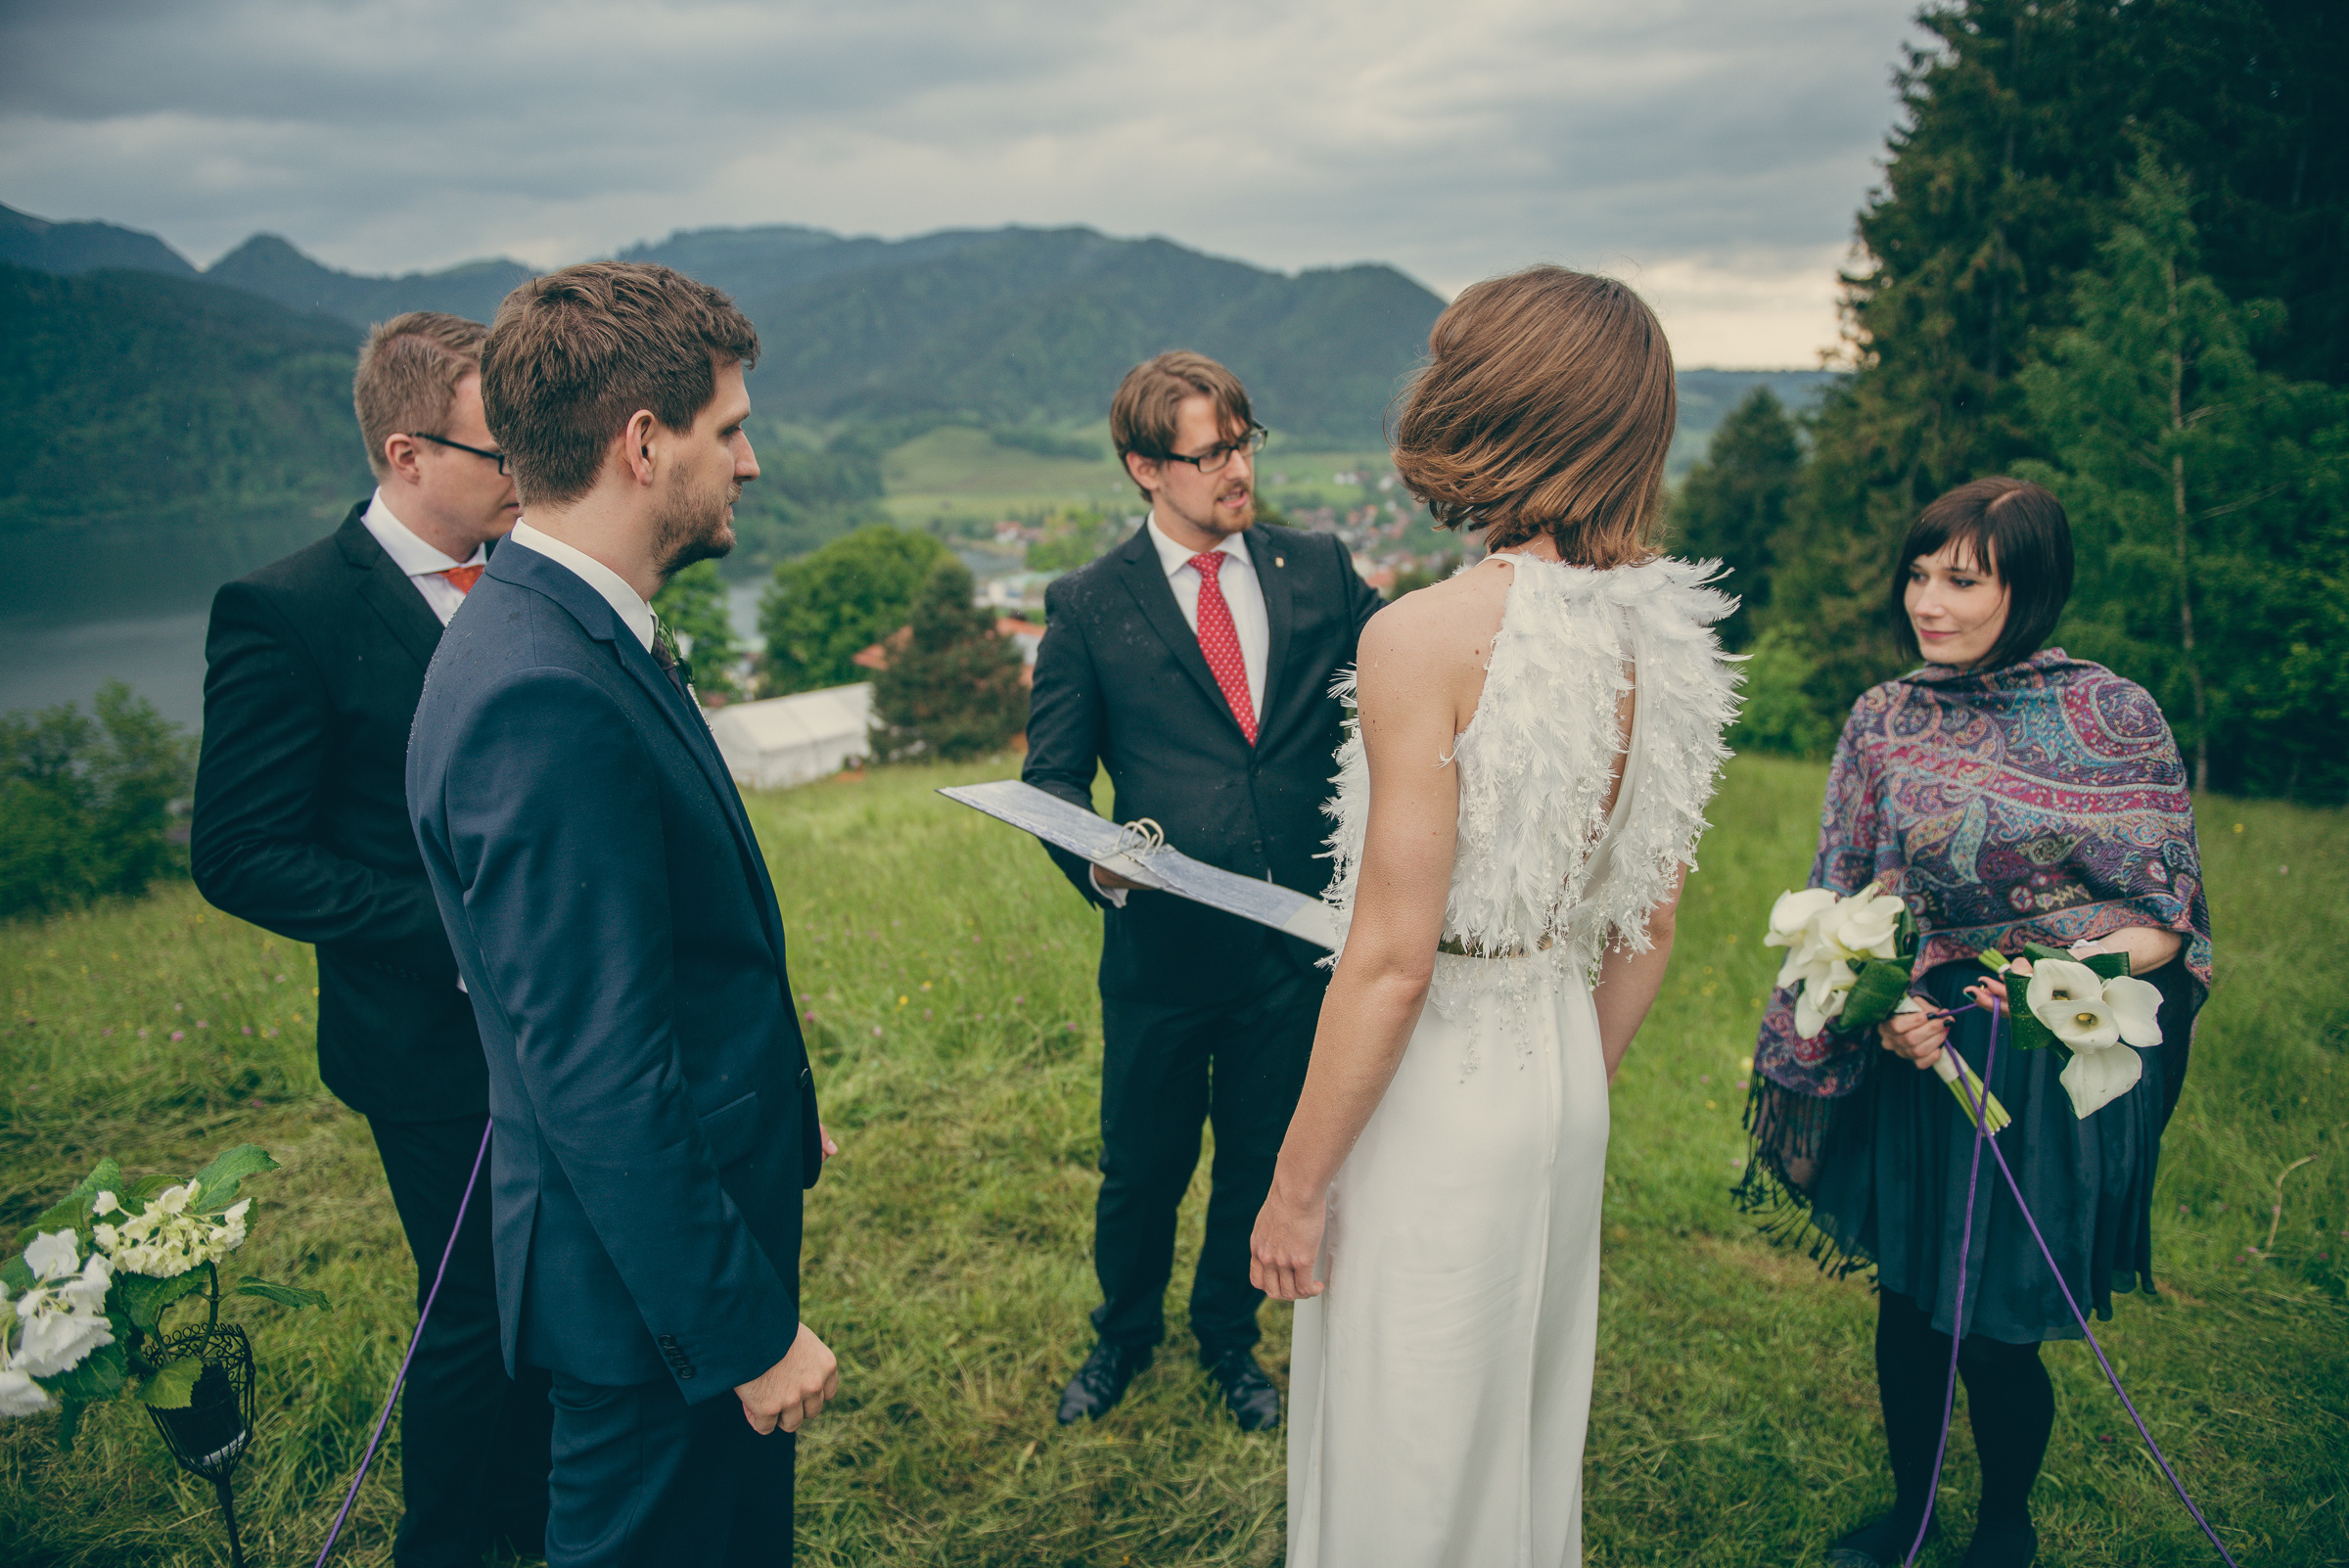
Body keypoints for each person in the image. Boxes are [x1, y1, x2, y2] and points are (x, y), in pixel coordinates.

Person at [1250, 266, 1738, 1566]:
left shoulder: (1425, 635)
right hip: (1564, 1062)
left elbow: (1394, 960)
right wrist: (1568, 1073)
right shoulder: (1670, 638)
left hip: (1437, 1083)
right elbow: (1649, 925)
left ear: (1503, 403)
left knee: (1405, 1437)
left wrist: (1294, 1190)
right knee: (1516, 1417)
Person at [406, 261, 836, 1568]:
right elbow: (598, 1074)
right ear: (645, 443)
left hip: (667, 1250)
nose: (749, 462)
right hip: (647, 1299)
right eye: (730, 427)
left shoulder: (565, 629)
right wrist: (743, 1328)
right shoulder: (540, 690)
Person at [1736, 478, 2212, 1568]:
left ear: (2029, 587)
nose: (1927, 601)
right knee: (1912, 1306)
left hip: (2045, 1057)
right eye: (1918, 573)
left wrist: (2051, 975)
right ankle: (1909, 1517)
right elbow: (1846, 889)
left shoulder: (2118, 714)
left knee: (1996, 1326)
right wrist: (1886, 997)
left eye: (1962, 579)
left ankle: (2005, 1527)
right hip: (1923, 1052)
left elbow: (2166, 922)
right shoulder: (1883, 717)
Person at [191, 311, 550, 1567]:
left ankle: (552, 1518)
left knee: (560, 1294)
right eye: (504, 451)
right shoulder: (284, 610)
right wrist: (455, 935)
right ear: (407, 453)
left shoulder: (532, 576)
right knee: (472, 1314)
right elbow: (239, 853)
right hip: (429, 1041)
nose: (531, 472)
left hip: (569, 1024)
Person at [1023, 350, 1385, 1430]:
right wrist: (1096, 859)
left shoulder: (1319, 568)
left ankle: (1231, 1339)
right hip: (1161, 963)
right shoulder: (1088, 604)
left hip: (1292, 956)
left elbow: (1400, 676)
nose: (1238, 469)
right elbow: (1052, 774)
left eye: (1244, 442)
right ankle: (1122, 1337)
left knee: (1258, 1167)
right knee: (1141, 1174)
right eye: (1210, 451)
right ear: (1144, 466)